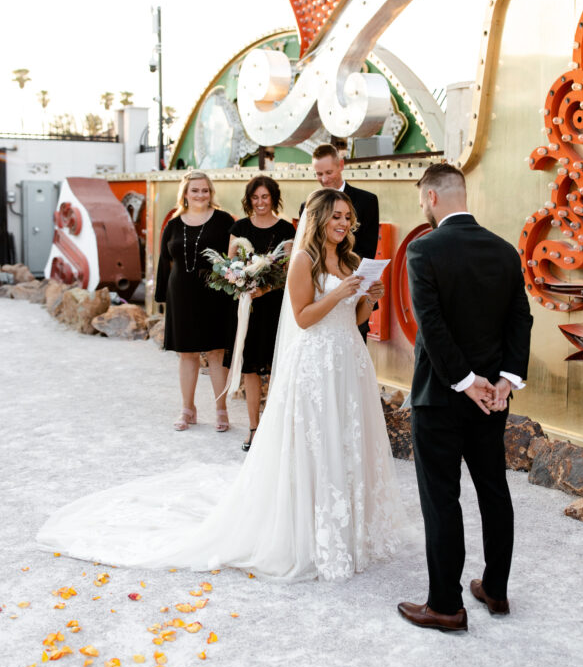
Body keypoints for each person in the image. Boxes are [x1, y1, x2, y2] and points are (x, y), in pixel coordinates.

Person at [36, 188, 408, 580]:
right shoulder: (304, 260)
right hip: (316, 362)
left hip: (348, 362)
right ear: (318, 219)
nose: (343, 224)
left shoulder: (350, 260)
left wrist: (369, 297)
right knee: (316, 442)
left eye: (347, 218)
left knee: (345, 439)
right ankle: (311, 528)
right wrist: (341, 295)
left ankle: (349, 526)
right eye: (336, 216)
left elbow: (355, 317)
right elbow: (303, 318)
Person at [397, 163, 533, 634]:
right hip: (491, 399)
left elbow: (430, 325)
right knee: (494, 491)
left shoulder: (422, 249)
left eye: (421, 202)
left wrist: (463, 380)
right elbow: (521, 318)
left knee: (442, 499)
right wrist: (505, 379)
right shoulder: (503, 250)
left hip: (440, 397)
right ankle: (495, 589)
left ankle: (445, 605)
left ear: (432, 198)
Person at [154, 170, 234, 432]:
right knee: (186, 354)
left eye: (205, 190)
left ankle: (221, 410)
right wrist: (161, 296)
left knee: (215, 353)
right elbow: (165, 262)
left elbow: (234, 256)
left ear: (211, 193)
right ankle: (188, 409)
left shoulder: (224, 221)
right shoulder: (173, 224)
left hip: (214, 295)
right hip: (181, 295)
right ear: (185, 193)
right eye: (195, 190)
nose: (201, 194)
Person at [223, 175, 295, 451]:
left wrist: (266, 289)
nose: (260, 202)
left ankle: (277, 430)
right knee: (251, 369)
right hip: (246, 307)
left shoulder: (286, 229)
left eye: (265, 197)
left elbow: (288, 270)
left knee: (277, 368)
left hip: (275, 306)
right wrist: (238, 277)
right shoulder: (239, 227)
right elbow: (230, 265)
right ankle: (253, 429)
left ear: (273, 198)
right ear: (249, 199)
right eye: (255, 197)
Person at [301, 143, 380, 340]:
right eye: (319, 174)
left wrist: (349, 284)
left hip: (355, 290)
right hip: (318, 290)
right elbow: (306, 248)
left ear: (341, 166)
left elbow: (367, 250)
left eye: (329, 172)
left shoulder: (367, 201)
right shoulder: (308, 206)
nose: (324, 179)